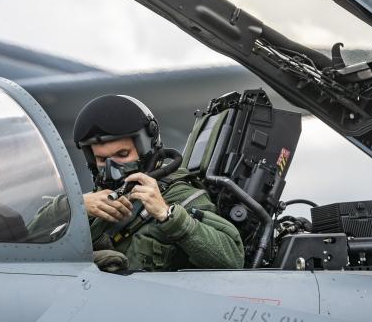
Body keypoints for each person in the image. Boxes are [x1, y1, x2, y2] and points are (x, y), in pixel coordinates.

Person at [69, 94, 244, 272]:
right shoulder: (94, 201)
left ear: (145, 149)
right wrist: (75, 207)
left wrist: (167, 215)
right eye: (101, 159)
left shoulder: (180, 195)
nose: (111, 167)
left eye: (122, 154)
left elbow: (233, 260)